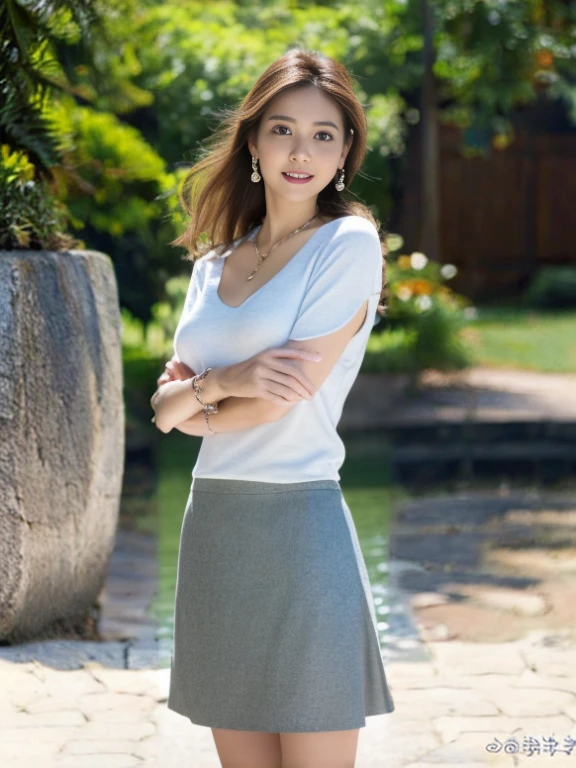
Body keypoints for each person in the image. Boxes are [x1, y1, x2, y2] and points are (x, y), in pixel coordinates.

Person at [150, 48, 395, 768]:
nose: (301, 151)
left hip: (300, 525)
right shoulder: (211, 266)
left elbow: (273, 405)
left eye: (324, 134)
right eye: (283, 129)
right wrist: (230, 381)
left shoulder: (347, 244)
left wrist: (197, 396)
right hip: (215, 525)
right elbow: (172, 406)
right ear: (253, 142)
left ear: (347, 150)